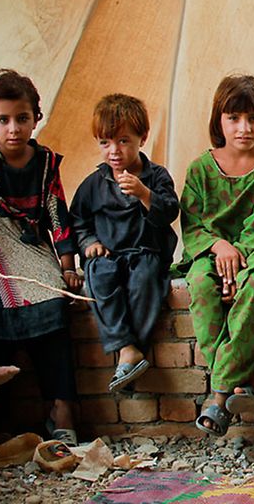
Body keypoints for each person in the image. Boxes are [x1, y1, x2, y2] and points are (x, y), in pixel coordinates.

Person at [0, 69, 83, 444]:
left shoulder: (44, 163)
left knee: (52, 302)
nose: (14, 129)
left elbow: (58, 215)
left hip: (30, 248)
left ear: (35, 119)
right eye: (4, 120)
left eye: (22, 119)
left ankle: (62, 410)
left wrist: (68, 265)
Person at [178, 74, 254, 437]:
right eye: (234, 118)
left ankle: (219, 392)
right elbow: (193, 224)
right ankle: (236, 385)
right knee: (199, 284)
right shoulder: (200, 168)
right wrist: (218, 249)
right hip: (212, 250)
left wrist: (236, 261)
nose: (244, 128)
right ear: (219, 120)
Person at [70, 94, 179, 393]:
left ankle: (129, 355)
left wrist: (145, 195)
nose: (114, 151)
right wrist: (89, 242)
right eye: (105, 142)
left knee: (145, 282)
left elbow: (170, 211)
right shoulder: (94, 184)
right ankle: (127, 348)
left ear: (142, 139)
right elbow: (78, 220)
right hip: (109, 255)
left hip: (146, 252)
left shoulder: (156, 176)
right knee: (99, 278)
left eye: (123, 141)